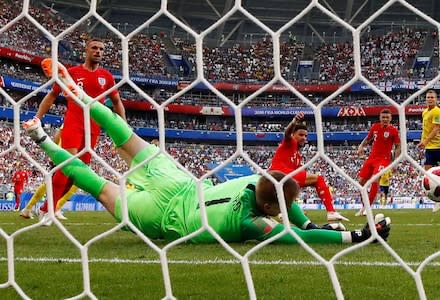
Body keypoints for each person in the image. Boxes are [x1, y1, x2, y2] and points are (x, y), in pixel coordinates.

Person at [21, 58, 391, 244]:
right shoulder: (251, 222)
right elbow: (296, 235)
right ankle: (41, 137)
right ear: (268, 210)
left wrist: (308, 220)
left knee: (127, 137)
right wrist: (355, 236)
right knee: (99, 186)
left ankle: (82, 97)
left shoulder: (253, 180)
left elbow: (280, 189)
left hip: (182, 182)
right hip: (165, 219)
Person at [34, 38, 126, 222]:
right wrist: (38, 117)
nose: (98, 51)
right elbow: (52, 95)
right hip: (73, 123)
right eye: (94, 48)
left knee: (79, 173)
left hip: (93, 127)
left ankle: (46, 208)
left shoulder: (107, 77)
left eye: (101, 48)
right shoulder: (72, 73)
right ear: (86, 50)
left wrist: (123, 128)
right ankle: (48, 211)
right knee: (68, 164)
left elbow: (117, 102)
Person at [269, 112, 349, 222]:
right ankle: (331, 212)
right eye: (301, 135)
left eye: (306, 136)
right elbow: (287, 133)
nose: (304, 138)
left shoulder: (297, 155)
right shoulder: (290, 142)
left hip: (280, 179)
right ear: (293, 135)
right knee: (318, 179)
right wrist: (294, 121)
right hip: (278, 175)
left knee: (296, 187)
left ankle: (285, 211)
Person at [20, 127, 77, 220]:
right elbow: (59, 135)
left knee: (56, 183)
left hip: (66, 155)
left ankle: (29, 208)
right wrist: (54, 153)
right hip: (64, 155)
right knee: (58, 183)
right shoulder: (75, 118)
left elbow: (58, 136)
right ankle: (52, 208)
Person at [356, 109, 400, 216]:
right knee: (361, 182)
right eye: (383, 117)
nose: (385, 119)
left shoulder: (393, 130)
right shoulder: (375, 127)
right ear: (380, 118)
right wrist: (361, 146)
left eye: (387, 117)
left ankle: (368, 207)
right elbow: (368, 138)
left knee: (375, 180)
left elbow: (398, 146)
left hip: (383, 160)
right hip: (371, 158)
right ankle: (364, 206)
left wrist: (395, 162)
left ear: (390, 119)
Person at [417, 90, 440, 212]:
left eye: (432, 97)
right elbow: (426, 129)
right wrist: (423, 142)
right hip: (429, 148)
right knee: (429, 175)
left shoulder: (437, 111)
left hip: (439, 146)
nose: (430, 99)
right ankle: (436, 201)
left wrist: (424, 142)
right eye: (428, 97)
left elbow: (435, 129)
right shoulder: (425, 112)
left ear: (436, 99)